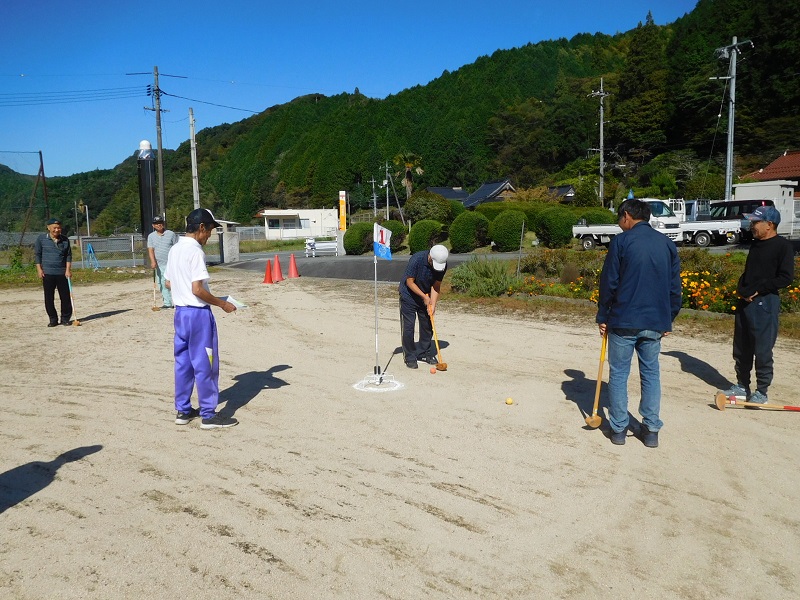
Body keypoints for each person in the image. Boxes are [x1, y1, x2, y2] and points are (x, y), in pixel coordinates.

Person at [596, 199, 682, 448]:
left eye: (618, 218)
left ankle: (619, 429)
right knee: (651, 373)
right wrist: (669, 317)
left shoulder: (621, 242)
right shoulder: (666, 243)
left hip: (623, 319)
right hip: (655, 320)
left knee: (620, 374)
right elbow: (675, 287)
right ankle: (651, 429)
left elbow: (609, 282)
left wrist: (603, 316)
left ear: (626, 216)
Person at [164, 208, 238, 429]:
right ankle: (208, 414)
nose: (209, 237)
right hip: (198, 314)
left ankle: (183, 411)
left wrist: (183, 291)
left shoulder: (175, 249)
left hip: (180, 314)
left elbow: (169, 283)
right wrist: (222, 303)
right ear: (201, 227)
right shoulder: (196, 251)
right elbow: (197, 289)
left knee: (183, 363)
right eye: (210, 231)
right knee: (206, 363)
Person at [721, 205, 794, 405]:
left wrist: (759, 290)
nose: (752, 225)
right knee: (741, 347)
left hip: (765, 303)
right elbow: (749, 273)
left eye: (756, 222)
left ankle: (761, 391)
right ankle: (742, 385)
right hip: (746, 302)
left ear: (769, 225)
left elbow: (786, 277)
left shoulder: (783, 246)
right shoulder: (756, 244)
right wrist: (741, 288)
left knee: (762, 349)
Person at [399, 244, 448, 369]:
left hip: (426, 295)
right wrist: (425, 297)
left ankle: (423, 352)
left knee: (427, 325)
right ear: (430, 257)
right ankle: (410, 356)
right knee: (409, 327)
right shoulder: (416, 259)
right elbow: (409, 282)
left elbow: (436, 286)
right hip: (409, 295)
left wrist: (433, 304)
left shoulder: (442, 265)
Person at [34, 218, 73, 327]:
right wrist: (39, 269)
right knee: (49, 297)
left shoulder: (65, 240)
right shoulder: (41, 239)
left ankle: (65, 318)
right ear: (48, 228)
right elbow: (38, 255)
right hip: (48, 273)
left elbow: (68, 256)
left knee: (65, 297)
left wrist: (68, 270)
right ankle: (53, 319)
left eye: (59, 228)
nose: (57, 230)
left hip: (62, 273)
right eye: (54, 228)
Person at [147, 215, 178, 308]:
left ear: (163, 224)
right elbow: (151, 249)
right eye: (156, 224)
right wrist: (153, 261)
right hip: (159, 265)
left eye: (160, 223)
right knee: (161, 283)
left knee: (170, 283)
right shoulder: (151, 236)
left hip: (170, 263)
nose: (159, 225)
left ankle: (175, 302)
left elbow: (177, 247)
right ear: (153, 225)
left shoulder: (171, 234)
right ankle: (167, 302)